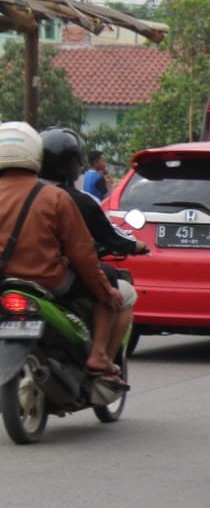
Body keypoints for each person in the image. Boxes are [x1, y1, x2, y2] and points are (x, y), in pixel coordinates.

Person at [0, 122, 126, 387]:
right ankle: (99, 355)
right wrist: (106, 291)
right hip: (49, 281)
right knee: (108, 283)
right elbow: (83, 256)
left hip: (4, 283)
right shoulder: (54, 197)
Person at [40, 127, 145, 368]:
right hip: (51, 273)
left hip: (12, 274)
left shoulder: (13, 193)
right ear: (73, 164)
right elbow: (86, 249)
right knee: (110, 288)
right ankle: (99, 355)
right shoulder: (68, 200)